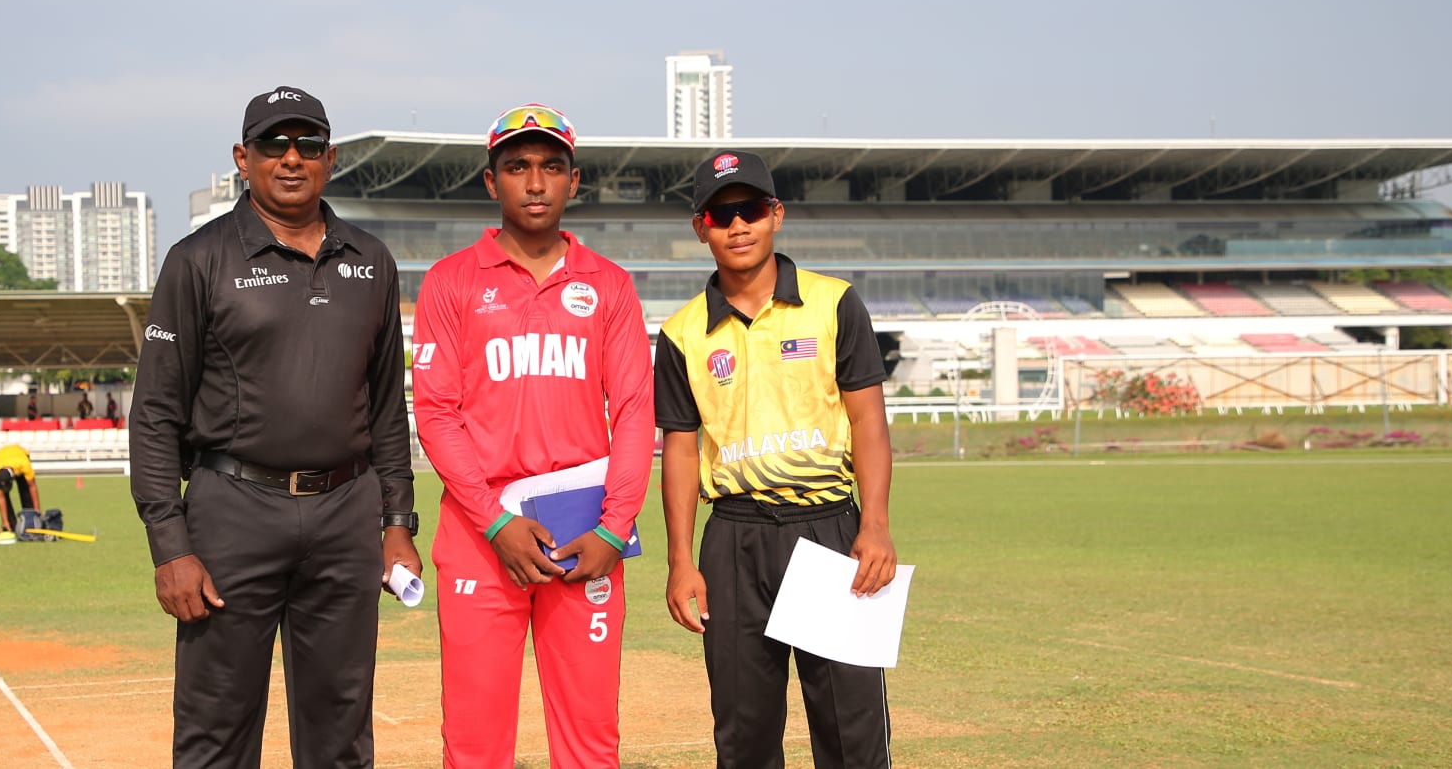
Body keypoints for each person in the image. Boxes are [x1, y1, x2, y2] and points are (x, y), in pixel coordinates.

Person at [129, 84, 421, 768]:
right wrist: (169, 544)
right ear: (243, 156)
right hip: (233, 514)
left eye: (308, 144)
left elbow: (385, 408)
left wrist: (398, 525)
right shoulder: (198, 259)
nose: (291, 158)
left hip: (346, 515)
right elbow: (155, 414)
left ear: (330, 157)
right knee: (216, 732)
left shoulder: (370, 261)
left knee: (341, 732)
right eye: (273, 144)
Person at [412, 104, 655, 767]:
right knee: (474, 744)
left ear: (574, 182)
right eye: (517, 167)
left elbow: (635, 411)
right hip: (479, 540)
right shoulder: (450, 282)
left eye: (552, 167)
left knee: (588, 744)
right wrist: (495, 523)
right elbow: (434, 412)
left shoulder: (610, 285)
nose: (536, 182)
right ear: (492, 183)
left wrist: (613, 528)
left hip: (584, 540)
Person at [656, 151, 897, 768]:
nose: (738, 225)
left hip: (828, 531)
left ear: (776, 215)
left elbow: (869, 418)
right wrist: (681, 560)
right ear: (700, 227)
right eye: (720, 213)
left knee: (852, 731)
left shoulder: (834, 303)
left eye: (752, 210)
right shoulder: (682, 333)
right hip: (734, 542)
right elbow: (680, 449)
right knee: (745, 737)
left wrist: (874, 526)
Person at [0, 443, 43, 542]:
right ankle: (9, 525)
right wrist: (5, 521)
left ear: (12, 479)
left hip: (20, 454)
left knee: (25, 489)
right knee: (4, 495)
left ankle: (30, 521)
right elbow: (0, 497)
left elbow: (32, 486)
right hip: (1, 456)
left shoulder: (24, 465)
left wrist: (37, 511)